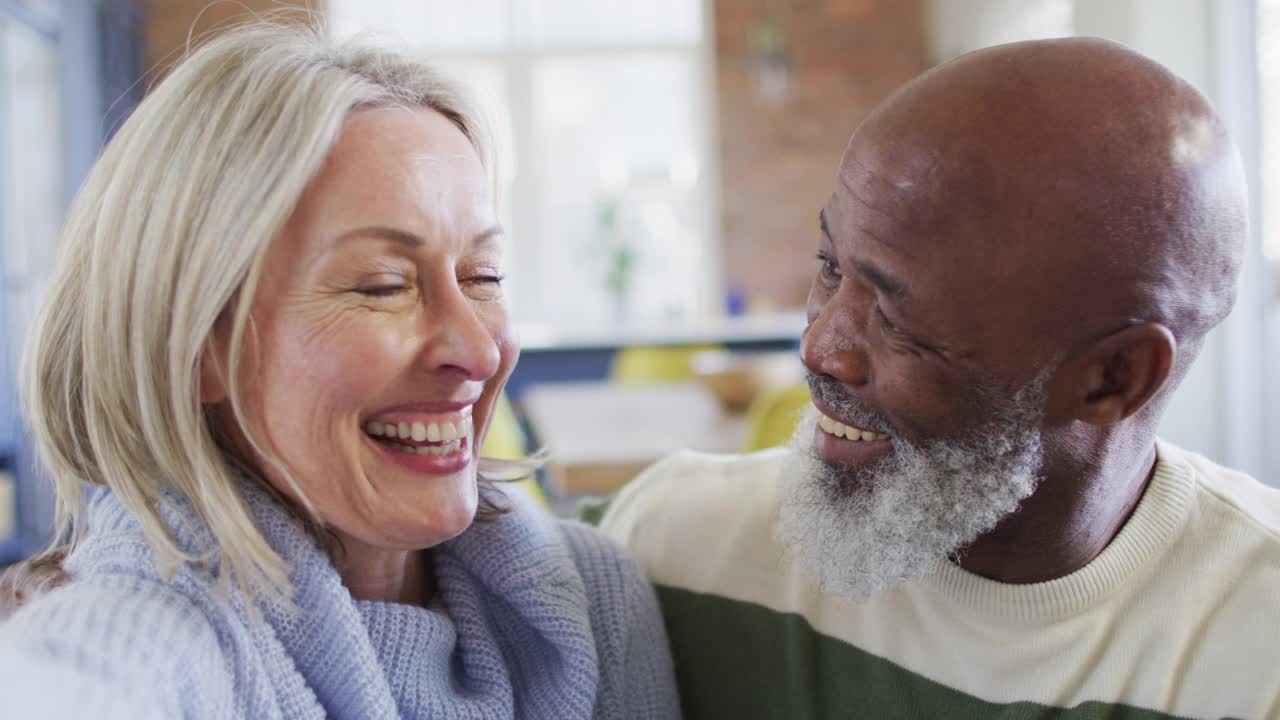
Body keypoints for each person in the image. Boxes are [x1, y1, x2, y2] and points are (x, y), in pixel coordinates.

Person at [0, 22, 679, 719]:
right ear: (196, 345)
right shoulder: (145, 645)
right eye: (383, 285)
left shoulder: (594, 601)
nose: (477, 350)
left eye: (483, 275)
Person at [597, 37, 1280, 719]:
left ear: (1112, 378)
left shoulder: (1255, 655)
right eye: (831, 267)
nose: (819, 347)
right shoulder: (672, 550)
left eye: (897, 316)